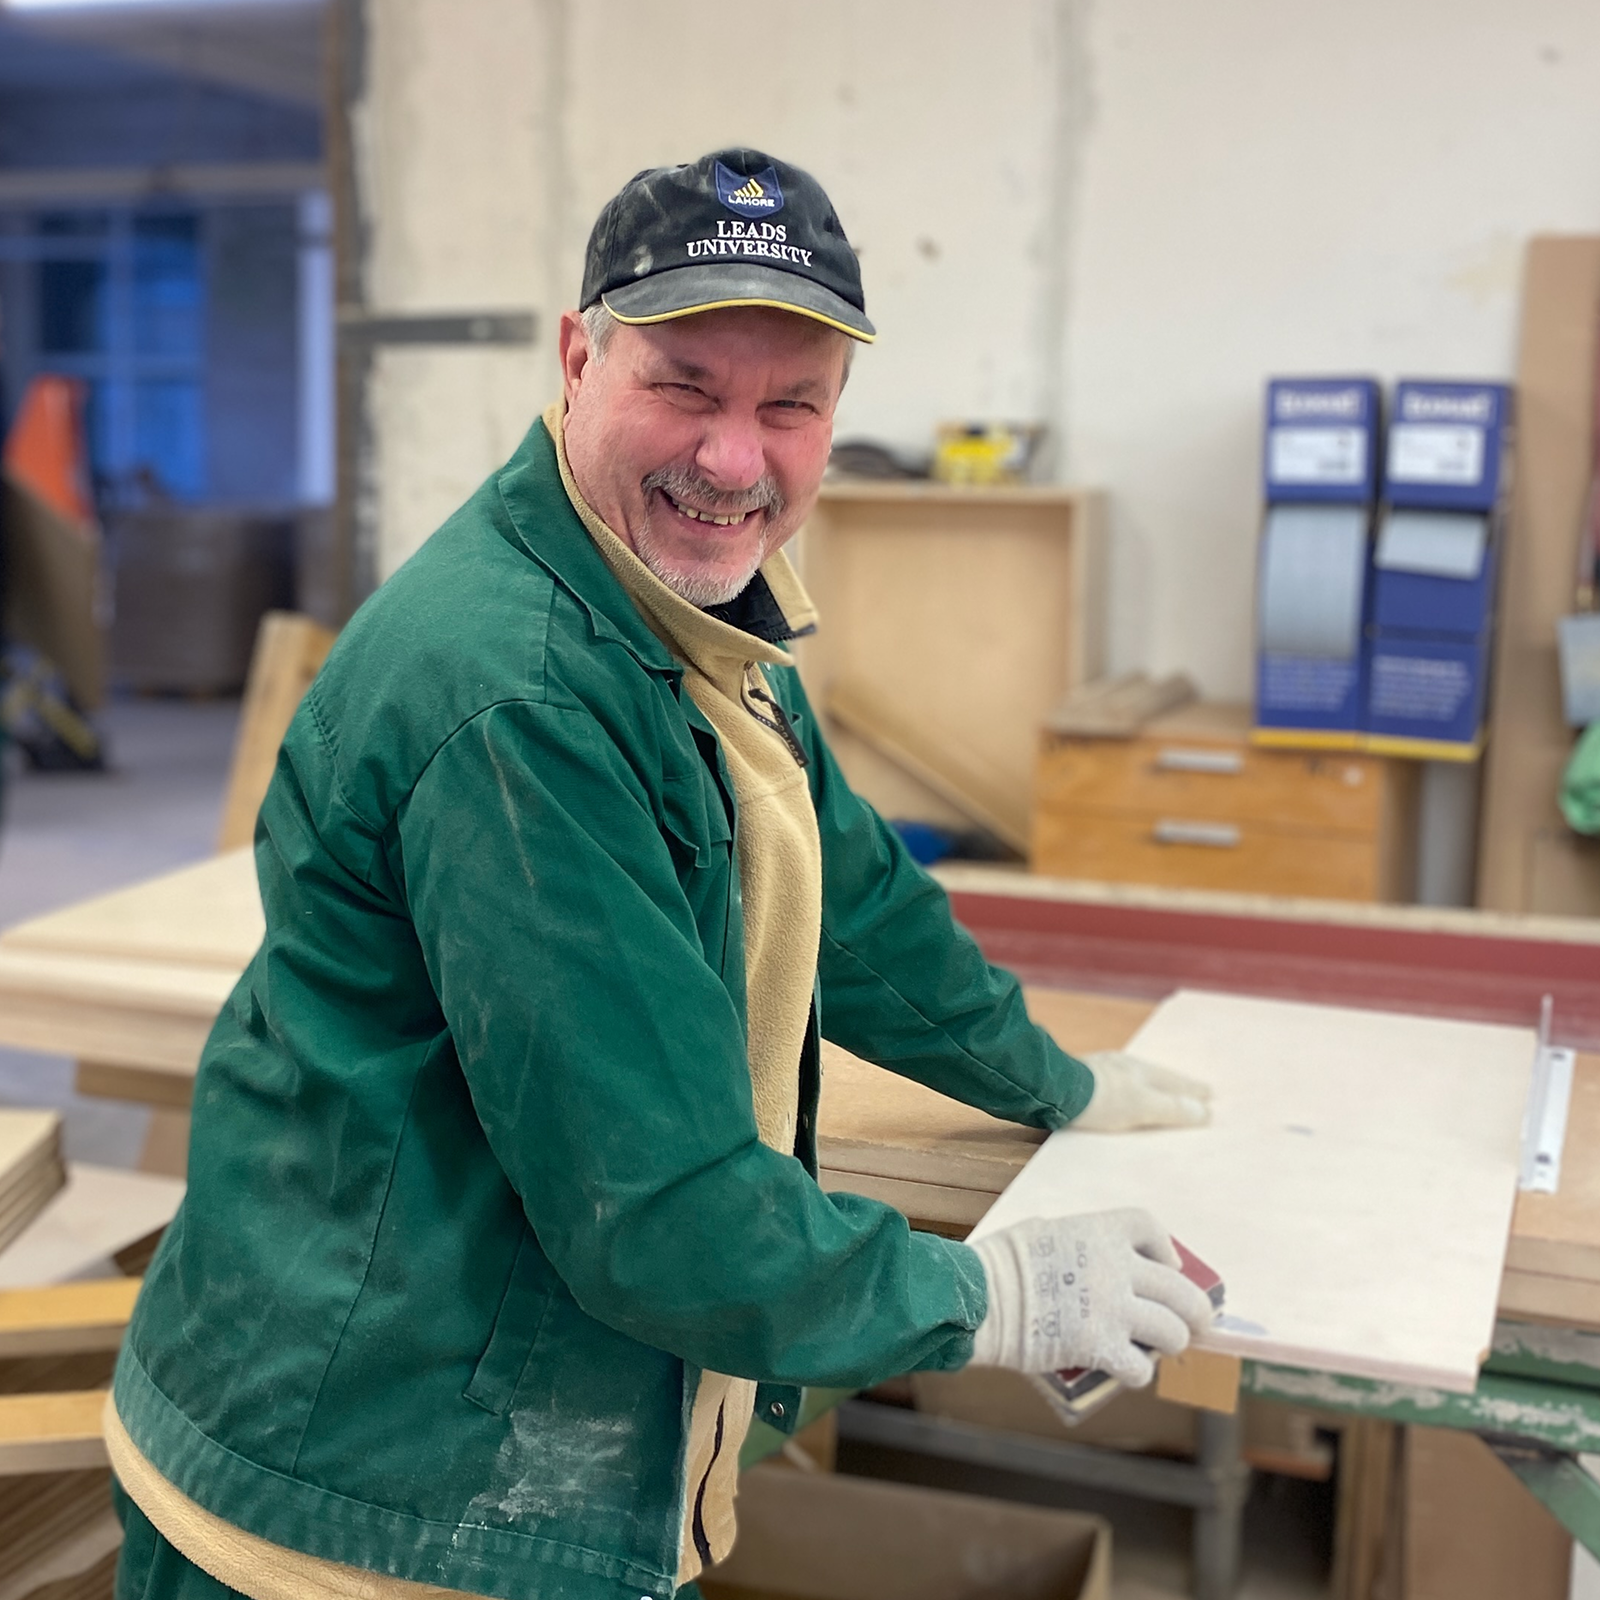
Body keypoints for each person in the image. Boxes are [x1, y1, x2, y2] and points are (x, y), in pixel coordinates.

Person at [108, 149, 1215, 1600]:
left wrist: (1048, 1077)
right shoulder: (526, 699)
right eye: (685, 386)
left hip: (432, 1439)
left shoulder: (683, 615)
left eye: (789, 406)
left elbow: (853, 903)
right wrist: (985, 1297)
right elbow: (662, 1209)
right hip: (355, 1500)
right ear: (579, 359)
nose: (734, 458)